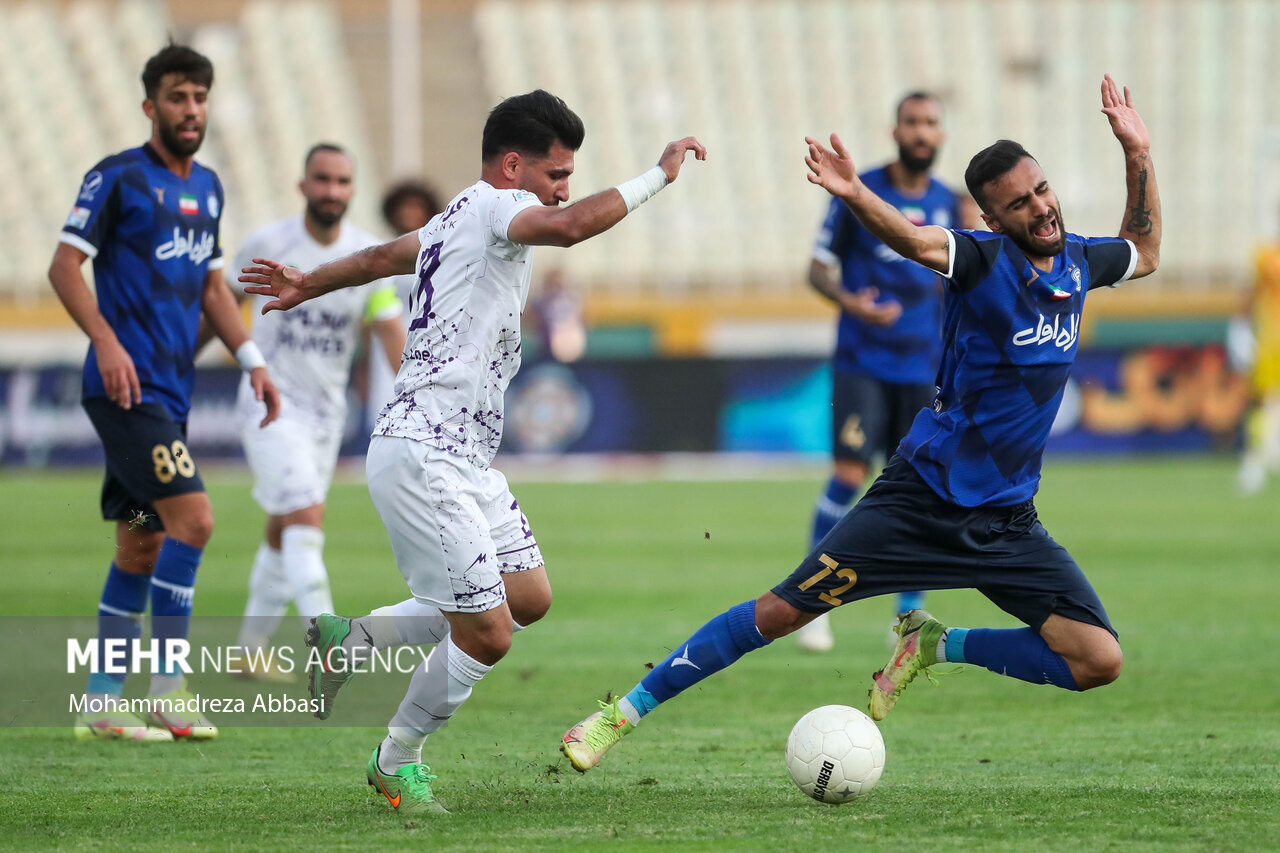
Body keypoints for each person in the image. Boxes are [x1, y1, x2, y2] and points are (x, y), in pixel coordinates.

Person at [560, 74, 1160, 775]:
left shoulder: (1084, 262)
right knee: (782, 612)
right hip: (918, 503)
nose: (1041, 207)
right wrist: (853, 193)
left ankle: (935, 644)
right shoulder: (984, 259)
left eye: (1041, 189)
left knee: (1098, 658)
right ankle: (618, 713)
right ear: (992, 218)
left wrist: (1137, 152)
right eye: (1019, 202)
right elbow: (911, 237)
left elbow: (1144, 251)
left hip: (1005, 521)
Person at [240, 89, 705, 813]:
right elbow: (575, 228)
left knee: (528, 598)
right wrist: (659, 176)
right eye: (557, 175)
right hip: (425, 451)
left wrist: (310, 281)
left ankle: (350, 639)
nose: (563, 191)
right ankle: (396, 760)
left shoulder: (455, 217)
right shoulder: (491, 207)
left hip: (461, 457)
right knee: (488, 633)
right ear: (514, 166)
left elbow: (378, 257)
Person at [49, 43, 280, 741]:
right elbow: (63, 266)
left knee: (140, 547)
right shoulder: (118, 177)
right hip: (127, 388)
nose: (191, 110)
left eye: (200, 98)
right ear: (150, 105)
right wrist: (106, 339)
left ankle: (101, 699)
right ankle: (169, 688)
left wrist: (251, 357)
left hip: (170, 391)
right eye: (177, 97)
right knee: (197, 520)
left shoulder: (208, 186)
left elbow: (214, 286)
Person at [797, 92, 972, 653]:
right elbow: (818, 269)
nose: (922, 132)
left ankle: (908, 617)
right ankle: (811, 605)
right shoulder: (860, 190)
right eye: (912, 123)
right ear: (895, 130)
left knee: (920, 486)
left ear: (940, 135)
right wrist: (854, 303)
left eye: (931, 124)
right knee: (849, 474)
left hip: (924, 371)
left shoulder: (951, 203)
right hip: (863, 363)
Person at [230, 144, 406, 679]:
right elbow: (218, 302)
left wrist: (415, 397)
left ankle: (248, 649)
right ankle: (328, 638)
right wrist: (180, 365)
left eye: (342, 181)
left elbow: (390, 332)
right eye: (322, 179)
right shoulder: (269, 244)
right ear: (303, 185)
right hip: (270, 404)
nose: (332, 190)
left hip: (327, 418)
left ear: (352, 190)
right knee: (306, 513)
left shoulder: (365, 256)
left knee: (285, 526)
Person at [358, 179, 442, 434]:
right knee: (386, 421)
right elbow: (367, 317)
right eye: (404, 206)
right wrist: (361, 365)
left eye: (416, 206)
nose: (409, 213)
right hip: (385, 353)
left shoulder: (441, 256)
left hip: (429, 348)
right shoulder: (380, 256)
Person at [1233, 234, 1280, 493]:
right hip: (1272, 342)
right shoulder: (1267, 257)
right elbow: (1250, 294)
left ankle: (1263, 456)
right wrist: (1240, 328)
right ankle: (1256, 460)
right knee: (1263, 400)